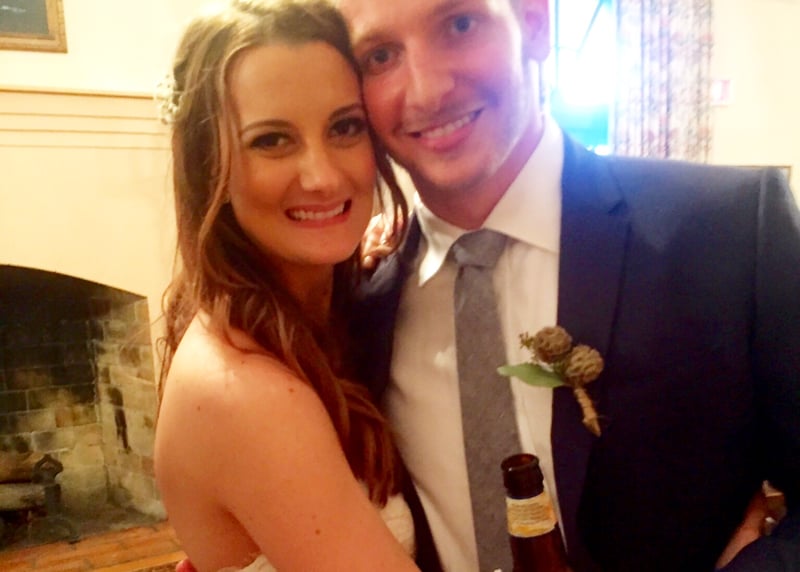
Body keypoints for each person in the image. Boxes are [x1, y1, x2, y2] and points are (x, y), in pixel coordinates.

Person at [333, 0, 800, 571]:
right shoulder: (357, 311)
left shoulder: (729, 230)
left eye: (460, 24)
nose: (427, 91)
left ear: (534, 23)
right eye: (380, 55)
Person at [153, 1, 426, 570]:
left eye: (344, 127)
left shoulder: (318, 314)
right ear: (209, 164)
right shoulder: (245, 393)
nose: (322, 177)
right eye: (272, 140)